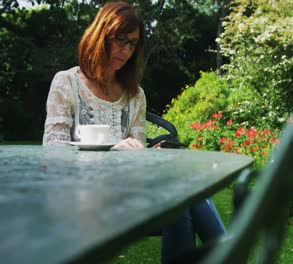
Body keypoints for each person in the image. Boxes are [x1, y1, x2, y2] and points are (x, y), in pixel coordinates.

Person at [42, 1, 225, 263]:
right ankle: (231, 253)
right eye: (121, 39)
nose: (126, 50)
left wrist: (149, 155)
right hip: (78, 198)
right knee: (184, 204)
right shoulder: (67, 82)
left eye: (133, 44)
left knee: (182, 201)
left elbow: (135, 151)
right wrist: (111, 150)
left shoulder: (135, 95)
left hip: (127, 195)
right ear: (101, 35)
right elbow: (52, 149)